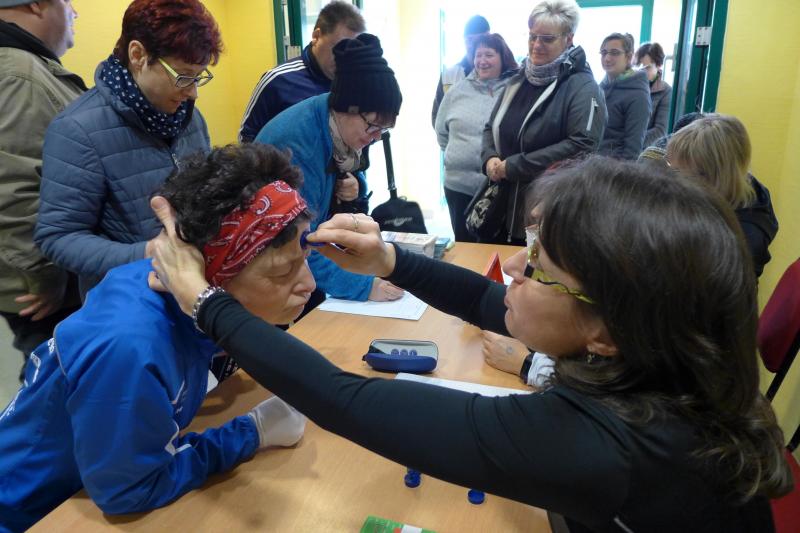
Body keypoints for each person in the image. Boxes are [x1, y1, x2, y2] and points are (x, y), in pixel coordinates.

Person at [149, 155, 791, 531]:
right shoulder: (663, 361)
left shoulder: (611, 447)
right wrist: (389, 259)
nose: (512, 268)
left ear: (606, 332)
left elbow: (347, 402)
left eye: (539, 268)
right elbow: (493, 305)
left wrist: (205, 302)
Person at [0, 143, 311, 531]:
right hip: (31, 512)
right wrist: (251, 432)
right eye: (282, 272)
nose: (309, 285)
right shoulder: (132, 348)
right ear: (211, 278)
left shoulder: (172, 291)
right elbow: (130, 489)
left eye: (305, 259)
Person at [35, 0, 220, 299]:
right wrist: (148, 251)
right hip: (129, 300)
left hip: (195, 289)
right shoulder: (77, 130)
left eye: (198, 77)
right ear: (137, 55)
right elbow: (59, 238)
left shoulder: (189, 118)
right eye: (183, 76)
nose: (192, 92)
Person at [255, 33, 403, 302]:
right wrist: (364, 286)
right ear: (347, 107)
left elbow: (347, 178)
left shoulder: (338, 126)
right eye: (373, 126)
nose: (375, 137)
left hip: (297, 256)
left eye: (384, 129)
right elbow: (302, 242)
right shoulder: (299, 144)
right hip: (269, 263)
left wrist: (356, 187)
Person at [0, 0, 85, 377]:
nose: (75, 13)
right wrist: (45, 278)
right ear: (37, 5)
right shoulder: (17, 75)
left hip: (50, 277)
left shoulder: (25, 68)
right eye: (68, 2)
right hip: (47, 293)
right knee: (57, 383)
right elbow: (14, 194)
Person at [481, 0, 606, 244]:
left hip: (547, 208)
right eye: (532, 36)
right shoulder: (519, 79)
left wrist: (515, 166)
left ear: (568, 39)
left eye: (547, 39)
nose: (536, 45)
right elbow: (490, 126)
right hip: (503, 204)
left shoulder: (582, 86)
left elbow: (582, 145)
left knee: (535, 264)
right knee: (500, 262)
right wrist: (489, 157)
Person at [666, 113, 778, 278]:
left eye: (680, 173)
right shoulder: (734, 186)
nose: (672, 180)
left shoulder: (740, 241)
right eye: (671, 167)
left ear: (715, 176)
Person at [238, 0, 365, 143]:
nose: (344, 58)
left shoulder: (355, 83)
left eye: (352, 51)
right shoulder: (277, 80)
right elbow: (246, 136)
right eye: (338, 47)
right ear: (316, 36)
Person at [435, 33, 518, 242]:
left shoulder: (513, 90)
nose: (482, 60)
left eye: (489, 55)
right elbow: (442, 133)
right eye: (478, 55)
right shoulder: (457, 91)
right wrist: (458, 155)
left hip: (496, 188)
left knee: (494, 246)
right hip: (457, 186)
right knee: (464, 244)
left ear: (502, 58)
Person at [431, 14, 490, 128]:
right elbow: (437, 116)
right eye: (470, 40)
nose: (473, 46)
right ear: (464, 40)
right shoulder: (449, 75)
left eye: (479, 40)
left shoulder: (499, 74)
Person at [598, 32, 651, 160]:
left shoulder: (638, 94)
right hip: (590, 161)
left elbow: (632, 150)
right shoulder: (600, 87)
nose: (607, 58)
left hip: (611, 167)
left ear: (629, 57)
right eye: (604, 53)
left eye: (614, 53)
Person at [634, 41, 672, 146]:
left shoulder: (665, 91)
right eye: (638, 68)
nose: (641, 73)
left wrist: (631, 140)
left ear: (659, 66)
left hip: (644, 149)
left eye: (647, 68)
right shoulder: (628, 86)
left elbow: (660, 131)